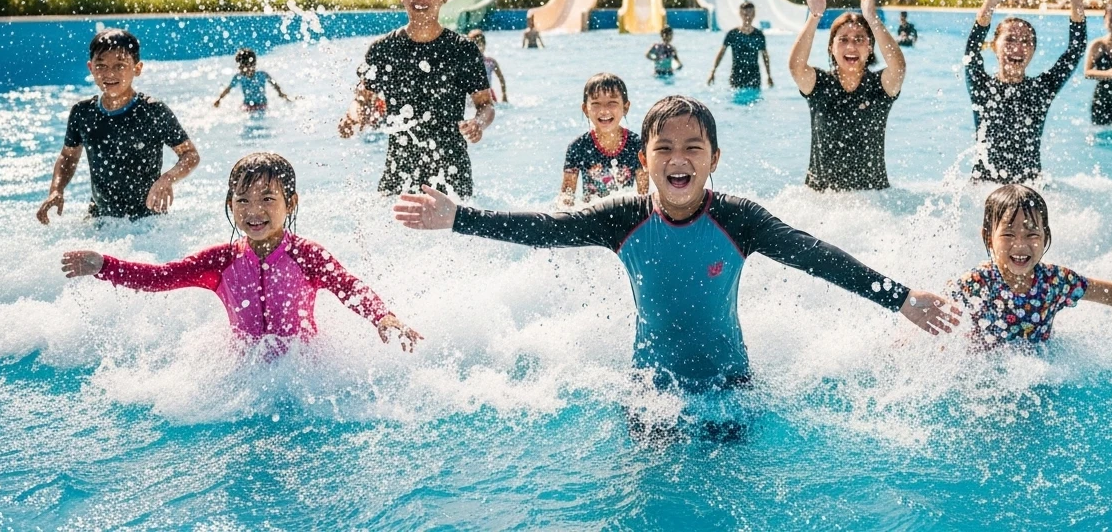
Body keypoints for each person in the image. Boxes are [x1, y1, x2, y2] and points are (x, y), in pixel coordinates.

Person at [393, 96, 960, 392]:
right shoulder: (623, 217)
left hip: (732, 387)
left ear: (715, 159)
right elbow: (546, 229)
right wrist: (459, 217)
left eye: (694, 147)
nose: (679, 158)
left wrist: (901, 298)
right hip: (650, 390)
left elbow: (817, 256)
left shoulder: (742, 220)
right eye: (664, 148)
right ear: (644, 161)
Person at [60, 152, 421, 351]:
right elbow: (162, 277)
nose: (254, 211)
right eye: (243, 200)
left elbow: (348, 286)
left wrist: (382, 317)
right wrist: (104, 265)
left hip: (303, 369)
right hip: (245, 372)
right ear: (230, 203)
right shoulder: (221, 261)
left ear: (290, 203)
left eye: (267, 199)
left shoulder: (306, 256)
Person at [948, 184, 1112, 347]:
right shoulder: (978, 282)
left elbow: (1108, 293)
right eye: (1008, 234)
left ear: (1046, 237)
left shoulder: (1054, 281)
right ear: (987, 237)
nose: (1020, 244)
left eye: (1031, 234)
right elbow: (938, 315)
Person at [339, 0, 494, 197]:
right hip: (400, 167)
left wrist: (477, 123)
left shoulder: (463, 50)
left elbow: (485, 106)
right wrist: (353, 118)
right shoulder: (382, 49)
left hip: (452, 170)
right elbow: (362, 99)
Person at [37, 29, 200, 223]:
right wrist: (56, 190)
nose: (109, 73)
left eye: (120, 65)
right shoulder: (82, 113)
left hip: (147, 220)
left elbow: (190, 154)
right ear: (91, 68)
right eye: (101, 65)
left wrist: (168, 179)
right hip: (100, 218)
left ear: (137, 68)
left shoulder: (152, 111)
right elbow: (68, 156)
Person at [964, 0, 1087, 183]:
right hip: (983, 187)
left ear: (1033, 51)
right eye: (1010, 39)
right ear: (994, 45)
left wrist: (1076, 1)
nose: (1018, 47)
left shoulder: (1042, 89)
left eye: (1026, 41)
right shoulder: (981, 87)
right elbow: (971, 49)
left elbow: (1075, 50)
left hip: (1029, 188)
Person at [788, 0, 906, 191]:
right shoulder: (820, 85)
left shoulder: (879, 86)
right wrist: (814, 16)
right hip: (821, 199)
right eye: (843, 40)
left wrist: (872, 18)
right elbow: (796, 67)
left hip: (874, 198)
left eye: (859, 39)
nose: (851, 46)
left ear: (870, 48)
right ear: (831, 47)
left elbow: (898, 68)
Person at [560, 73, 649, 206]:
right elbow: (567, 196)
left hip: (624, 213)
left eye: (612, 103)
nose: (604, 111)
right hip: (591, 214)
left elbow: (644, 195)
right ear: (585, 109)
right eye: (596, 104)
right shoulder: (578, 147)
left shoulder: (636, 145)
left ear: (625, 107)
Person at [707, 2, 773, 89]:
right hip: (737, 76)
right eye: (745, 14)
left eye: (751, 14)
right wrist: (713, 71)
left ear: (754, 15)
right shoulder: (732, 34)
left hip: (754, 77)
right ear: (740, 14)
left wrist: (769, 75)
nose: (748, 17)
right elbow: (721, 53)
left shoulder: (759, 35)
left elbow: (765, 56)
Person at [213, 47, 292, 110]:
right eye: (239, 66)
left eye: (241, 66)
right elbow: (228, 89)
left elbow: (274, 84)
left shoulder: (261, 75)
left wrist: (281, 94)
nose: (240, 68)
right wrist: (219, 99)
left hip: (262, 105)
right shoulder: (239, 77)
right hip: (247, 105)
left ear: (253, 65)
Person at [467, 30, 508, 103]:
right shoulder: (467, 63)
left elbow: (501, 78)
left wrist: (504, 95)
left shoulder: (491, 62)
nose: (477, 48)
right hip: (472, 95)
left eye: (479, 44)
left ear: (484, 45)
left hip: (488, 94)